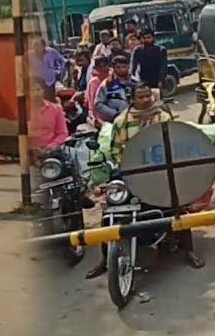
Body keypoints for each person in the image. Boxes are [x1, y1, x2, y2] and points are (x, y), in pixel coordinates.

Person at [86, 83, 206, 275]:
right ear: (132, 99)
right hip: (130, 172)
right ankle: (104, 260)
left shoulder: (163, 117)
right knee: (111, 208)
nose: (145, 100)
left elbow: (173, 142)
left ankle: (189, 250)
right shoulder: (121, 121)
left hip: (160, 170)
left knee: (177, 203)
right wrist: (126, 165)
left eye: (147, 95)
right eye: (140, 97)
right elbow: (116, 149)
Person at [93, 55, 138, 123]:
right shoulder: (107, 84)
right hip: (116, 120)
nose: (122, 69)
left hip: (136, 117)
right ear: (114, 69)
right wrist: (114, 113)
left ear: (128, 67)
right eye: (118, 67)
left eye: (124, 66)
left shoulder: (136, 82)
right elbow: (98, 104)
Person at [28, 77, 69, 152]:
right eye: (32, 90)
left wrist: (51, 146)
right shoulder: (23, 111)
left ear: (43, 90)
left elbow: (63, 133)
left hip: (51, 151)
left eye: (38, 90)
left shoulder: (56, 109)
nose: (35, 93)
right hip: (28, 152)